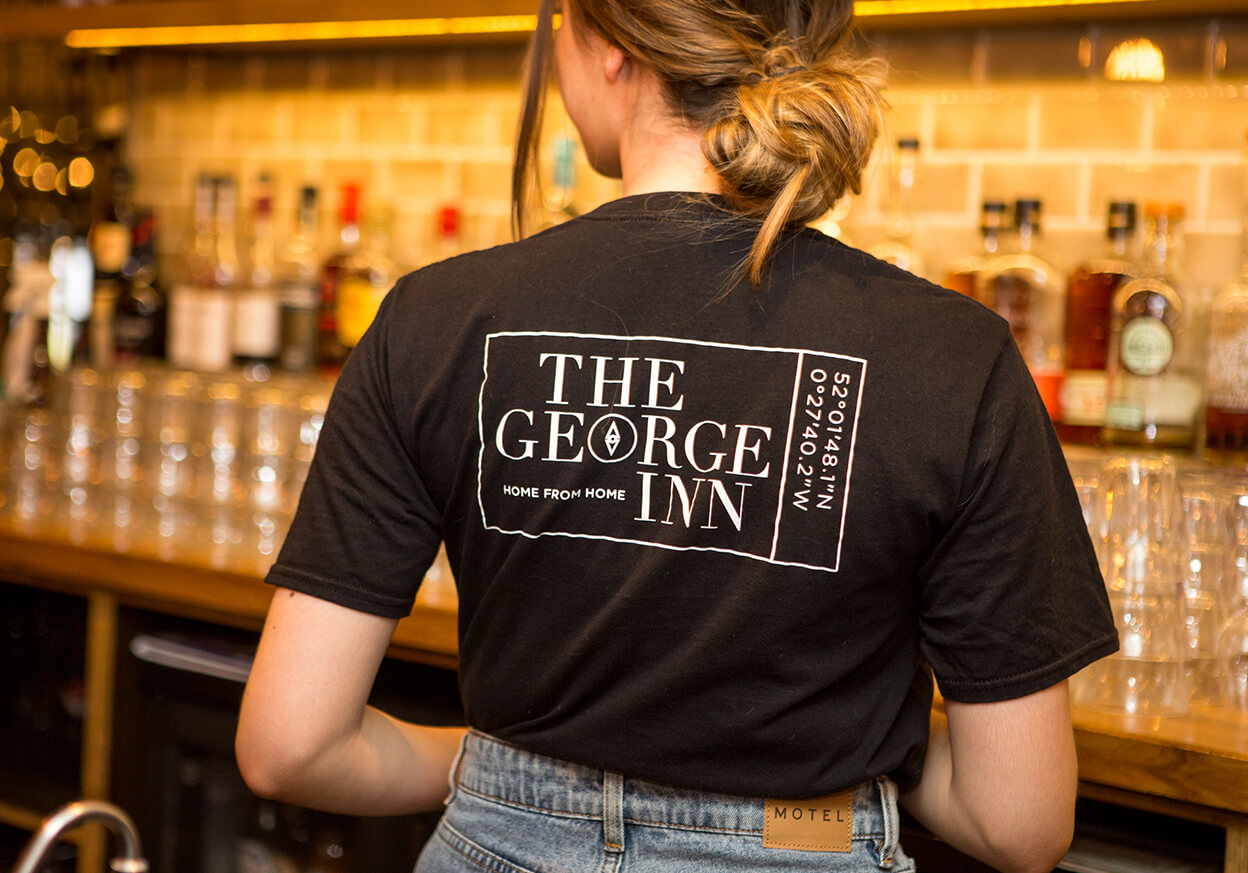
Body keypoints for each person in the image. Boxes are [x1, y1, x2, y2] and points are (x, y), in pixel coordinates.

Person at [236, 1, 1118, 871]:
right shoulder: (951, 355)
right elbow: (1020, 819)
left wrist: (513, 777)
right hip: (800, 844)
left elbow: (292, 744)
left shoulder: (432, 319)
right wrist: (866, 736)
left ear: (612, 46)